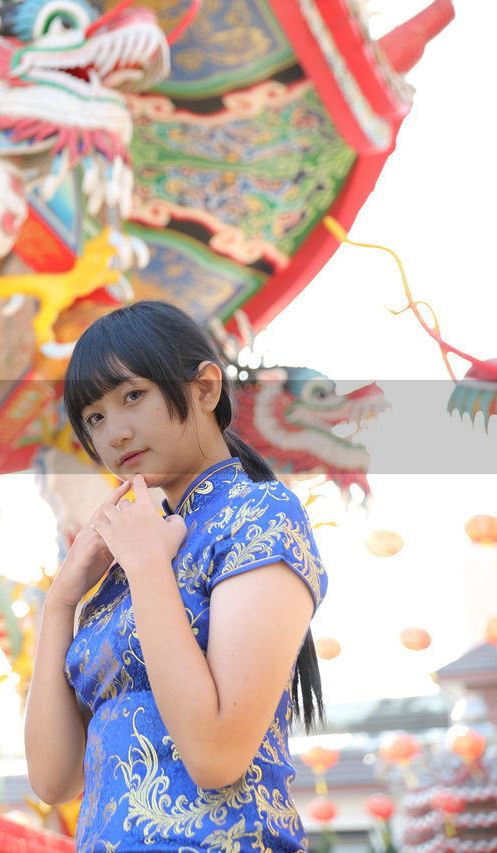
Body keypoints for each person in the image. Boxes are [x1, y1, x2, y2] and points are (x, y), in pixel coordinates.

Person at [23, 300, 327, 851]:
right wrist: (62, 602)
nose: (114, 433)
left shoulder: (259, 516)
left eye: (132, 396)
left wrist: (145, 568)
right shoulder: (126, 564)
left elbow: (215, 755)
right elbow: (53, 779)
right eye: (94, 417)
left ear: (206, 389)